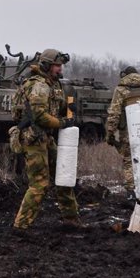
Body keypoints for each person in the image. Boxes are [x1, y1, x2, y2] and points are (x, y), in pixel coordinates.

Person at [12, 49, 84, 232]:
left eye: (60, 66)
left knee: (63, 176)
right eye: (57, 66)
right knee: (39, 184)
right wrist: (62, 122)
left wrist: (69, 109)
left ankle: (71, 220)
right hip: (33, 139)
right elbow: (40, 116)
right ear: (47, 66)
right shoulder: (39, 86)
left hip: (45, 137)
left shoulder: (53, 84)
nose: (60, 69)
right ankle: (20, 227)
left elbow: (56, 109)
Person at [104, 66, 140, 198]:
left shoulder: (121, 90)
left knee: (129, 160)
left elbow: (114, 113)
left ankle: (131, 193)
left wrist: (110, 133)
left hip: (128, 131)